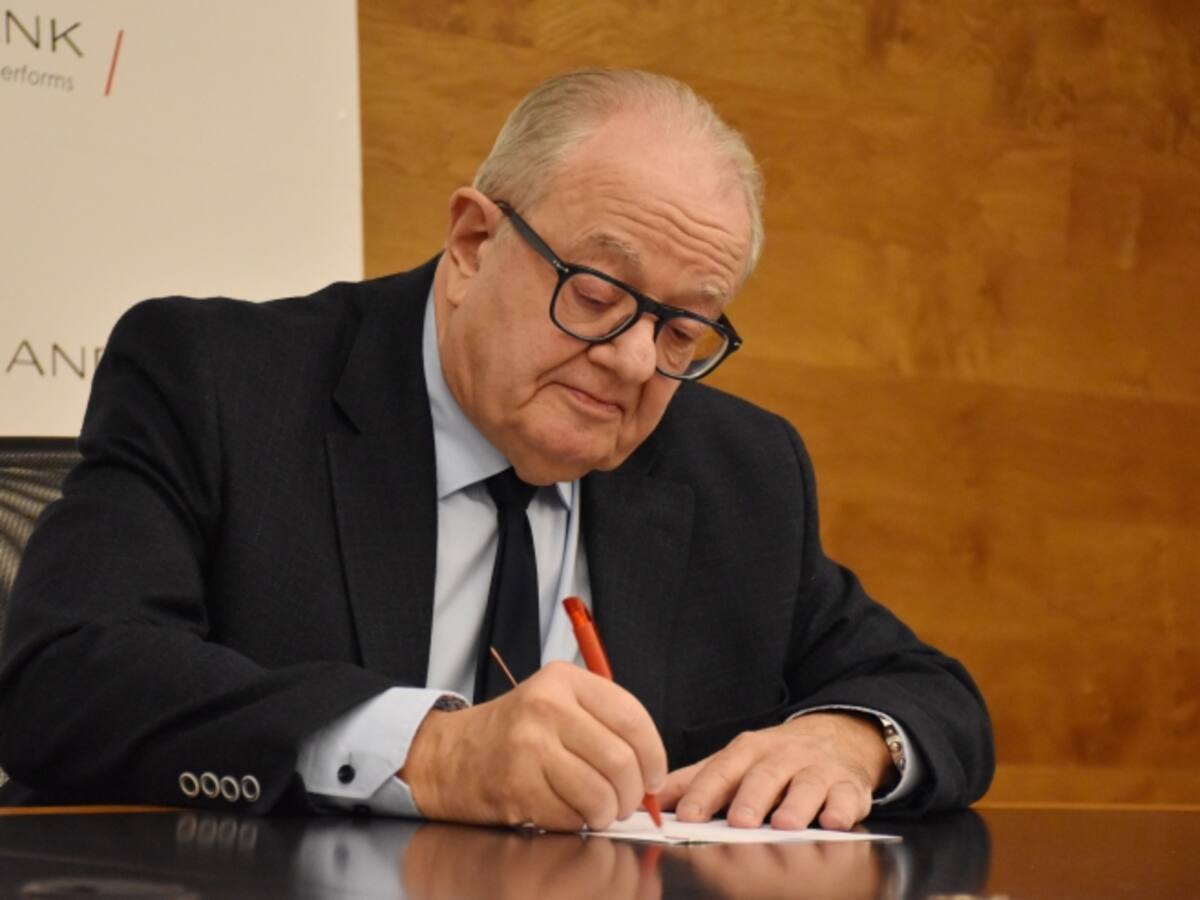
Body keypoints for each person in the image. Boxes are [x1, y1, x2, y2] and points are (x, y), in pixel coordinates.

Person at [0, 69, 993, 831]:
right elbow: (63, 676)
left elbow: (931, 693)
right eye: (596, 296)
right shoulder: (220, 380)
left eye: (684, 332)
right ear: (473, 244)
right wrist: (429, 753)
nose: (634, 361)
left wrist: (849, 741)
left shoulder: (742, 473)